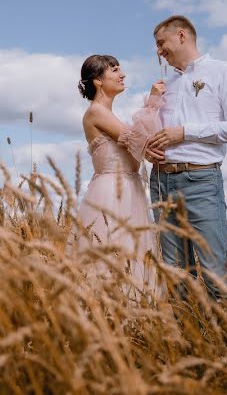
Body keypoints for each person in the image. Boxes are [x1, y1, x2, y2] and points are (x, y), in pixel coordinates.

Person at [144, 15, 227, 305]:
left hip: (200, 180)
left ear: (181, 35)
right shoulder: (165, 84)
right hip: (161, 182)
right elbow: (152, 131)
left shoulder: (222, 71)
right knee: (176, 277)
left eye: (160, 43)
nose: (158, 51)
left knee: (215, 274)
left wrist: (184, 132)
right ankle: (187, 346)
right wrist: (148, 148)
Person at [77, 54, 165, 293]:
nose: (122, 74)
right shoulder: (95, 112)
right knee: (112, 253)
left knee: (133, 254)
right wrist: (153, 102)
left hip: (129, 189)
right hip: (111, 193)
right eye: (114, 70)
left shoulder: (110, 114)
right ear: (97, 80)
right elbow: (137, 139)